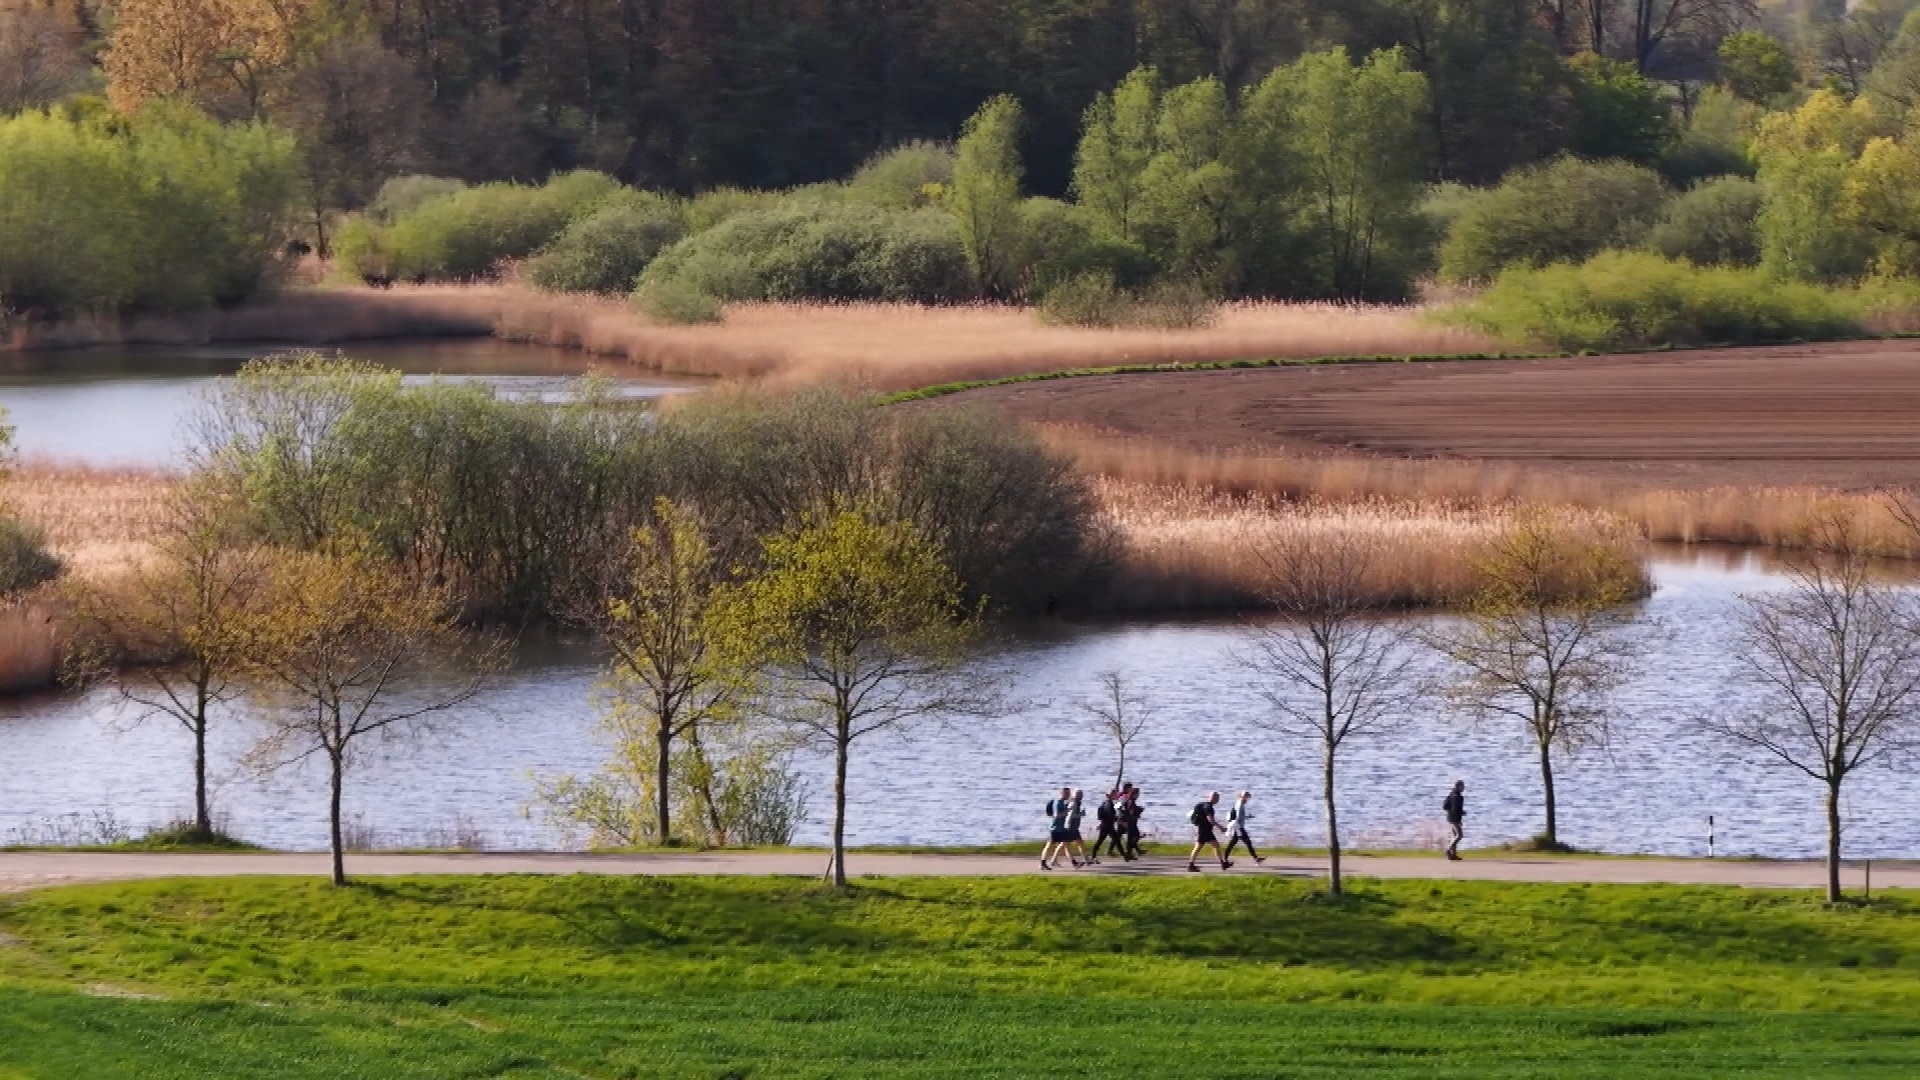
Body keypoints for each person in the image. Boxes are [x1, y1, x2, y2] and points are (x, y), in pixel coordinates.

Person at [1187, 791, 1232, 872]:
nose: (1218, 800)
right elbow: (1210, 819)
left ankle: (1223, 864)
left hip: (1204, 830)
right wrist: (1221, 827)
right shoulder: (1209, 807)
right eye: (1217, 798)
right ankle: (1191, 865)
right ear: (1214, 798)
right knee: (1199, 847)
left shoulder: (1203, 805)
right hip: (1205, 830)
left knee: (1215, 846)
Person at [1223, 790, 1265, 865]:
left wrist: (1248, 816)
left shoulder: (1240, 803)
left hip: (1237, 827)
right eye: (1246, 797)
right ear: (1242, 797)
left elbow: (1240, 816)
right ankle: (1256, 859)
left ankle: (1224, 858)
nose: (1247, 799)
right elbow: (1238, 817)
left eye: (1248, 798)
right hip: (1238, 827)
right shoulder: (1239, 805)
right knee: (1248, 842)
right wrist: (1239, 829)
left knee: (1233, 843)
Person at [1041, 786, 1079, 869]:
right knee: (1049, 845)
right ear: (1062, 793)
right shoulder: (1058, 802)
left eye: (1069, 793)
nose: (1069, 795)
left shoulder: (1063, 802)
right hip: (1055, 828)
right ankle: (1043, 863)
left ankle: (1074, 863)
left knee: (1066, 845)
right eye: (1067, 793)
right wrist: (1066, 812)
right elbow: (1056, 815)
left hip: (1062, 828)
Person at [1091, 790, 1125, 859]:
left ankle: (1093, 855)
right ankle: (1125, 855)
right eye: (1115, 794)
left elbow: (1113, 810)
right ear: (1111, 795)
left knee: (1103, 841)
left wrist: (1121, 801)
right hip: (1108, 826)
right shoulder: (1109, 804)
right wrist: (1120, 821)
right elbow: (1111, 815)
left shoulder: (1106, 803)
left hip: (1106, 825)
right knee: (1115, 840)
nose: (1116, 796)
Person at [1067, 789, 1093, 865]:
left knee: (1080, 843)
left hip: (1074, 827)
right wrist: (1081, 814)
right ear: (1075, 795)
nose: (1081, 796)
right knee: (1065, 844)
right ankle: (1053, 860)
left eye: (1081, 794)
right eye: (1080, 794)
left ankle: (1086, 860)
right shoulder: (1074, 803)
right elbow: (1070, 816)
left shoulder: (1077, 803)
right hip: (1071, 827)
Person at [1443, 781, 1466, 861]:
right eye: (1462, 786)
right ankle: (1448, 850)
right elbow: (1456, 809)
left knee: (1454, 835)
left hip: (1450, 818)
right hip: (1454, 819)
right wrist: (1459, 817)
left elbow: (1445, 806)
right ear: (1458, 787)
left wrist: (1460, 812)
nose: (1463, 788)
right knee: (1459, 835)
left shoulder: (1451, 794)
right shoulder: (1458, 797)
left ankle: (1453, 854)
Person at [1120, 784, 1143, 861]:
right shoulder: (1126, 798)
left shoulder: (1128, 799)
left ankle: (1128, 854)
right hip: (1129, 822)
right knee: (1135, 836)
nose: (1138, 796)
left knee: (1132, 837)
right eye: (1138, 794)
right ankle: (1129, 853)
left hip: (1129, 821)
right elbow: (1130, 811)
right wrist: (1138, 811)